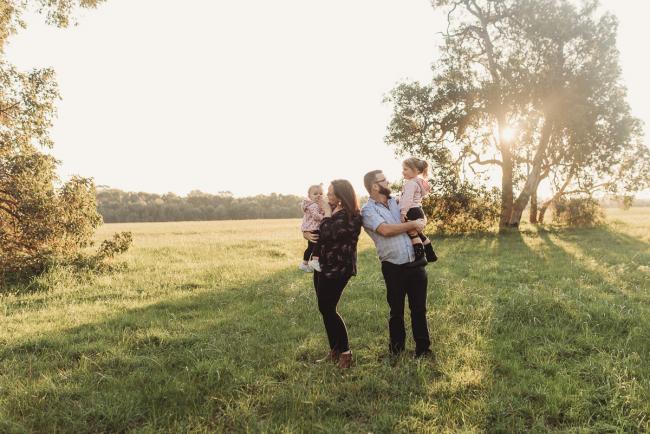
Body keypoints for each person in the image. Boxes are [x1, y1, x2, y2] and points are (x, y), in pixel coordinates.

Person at [361, 170, 432, 358]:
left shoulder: (398, 201)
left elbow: (418, 214)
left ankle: (423, 350)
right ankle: (396, 351)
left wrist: (420, 221)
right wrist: (413, 225)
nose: (389, 181)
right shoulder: (367, 210)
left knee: (419, 310)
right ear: (375, 186)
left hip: (416, 263)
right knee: (396, 311)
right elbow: (385, 230)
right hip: (393, 266)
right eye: (384, 179)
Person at [303, 180, 362, 369]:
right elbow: (316, 231)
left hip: (339, 267)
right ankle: (334, 350)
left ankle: (346, 353)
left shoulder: (352, 215)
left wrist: (327, 214)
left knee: (329, 308)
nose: (326, 197)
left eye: (330, 193)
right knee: (324, 308)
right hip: (322, 264)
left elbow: (329, 232)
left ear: (341, 195)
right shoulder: (331, 211)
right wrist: (305, 234)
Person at [399, 157, 437, 263]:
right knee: (419, 234)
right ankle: (431, 254)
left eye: (405, 169)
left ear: (415, 170)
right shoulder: (418, 182)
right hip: (418, 210)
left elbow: (407, 200)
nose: (403, 171)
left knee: (413, 234)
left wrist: (403, 212)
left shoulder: (410, 183)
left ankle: (419, 257)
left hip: (411, 210)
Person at [299, 184, 324, 272]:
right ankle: (315, 260)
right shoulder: (313, 205)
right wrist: (324, 216)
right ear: (309, 196)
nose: (318, 195)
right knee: (318, 243)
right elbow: (316, 216)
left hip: (310, 228)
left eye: (321, 193)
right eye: (315, 194)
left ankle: (304, 263)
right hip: (314, 228)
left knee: (310, 247)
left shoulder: (313, 205)